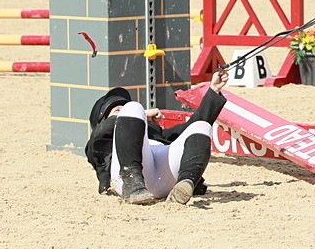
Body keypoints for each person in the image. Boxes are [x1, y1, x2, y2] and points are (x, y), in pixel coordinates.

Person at [84, 69, 230, 205]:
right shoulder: (99, 142)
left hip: (164, 179)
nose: (123, 112)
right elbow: (107, 128)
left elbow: (193, 126)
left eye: (124, 110)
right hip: (126, 179)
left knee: (202, 126)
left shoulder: (155, 132)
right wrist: (139, 113)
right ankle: (132, 182)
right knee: (133, 106)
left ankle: (185, 183)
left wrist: (214, 90)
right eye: (117, 111)